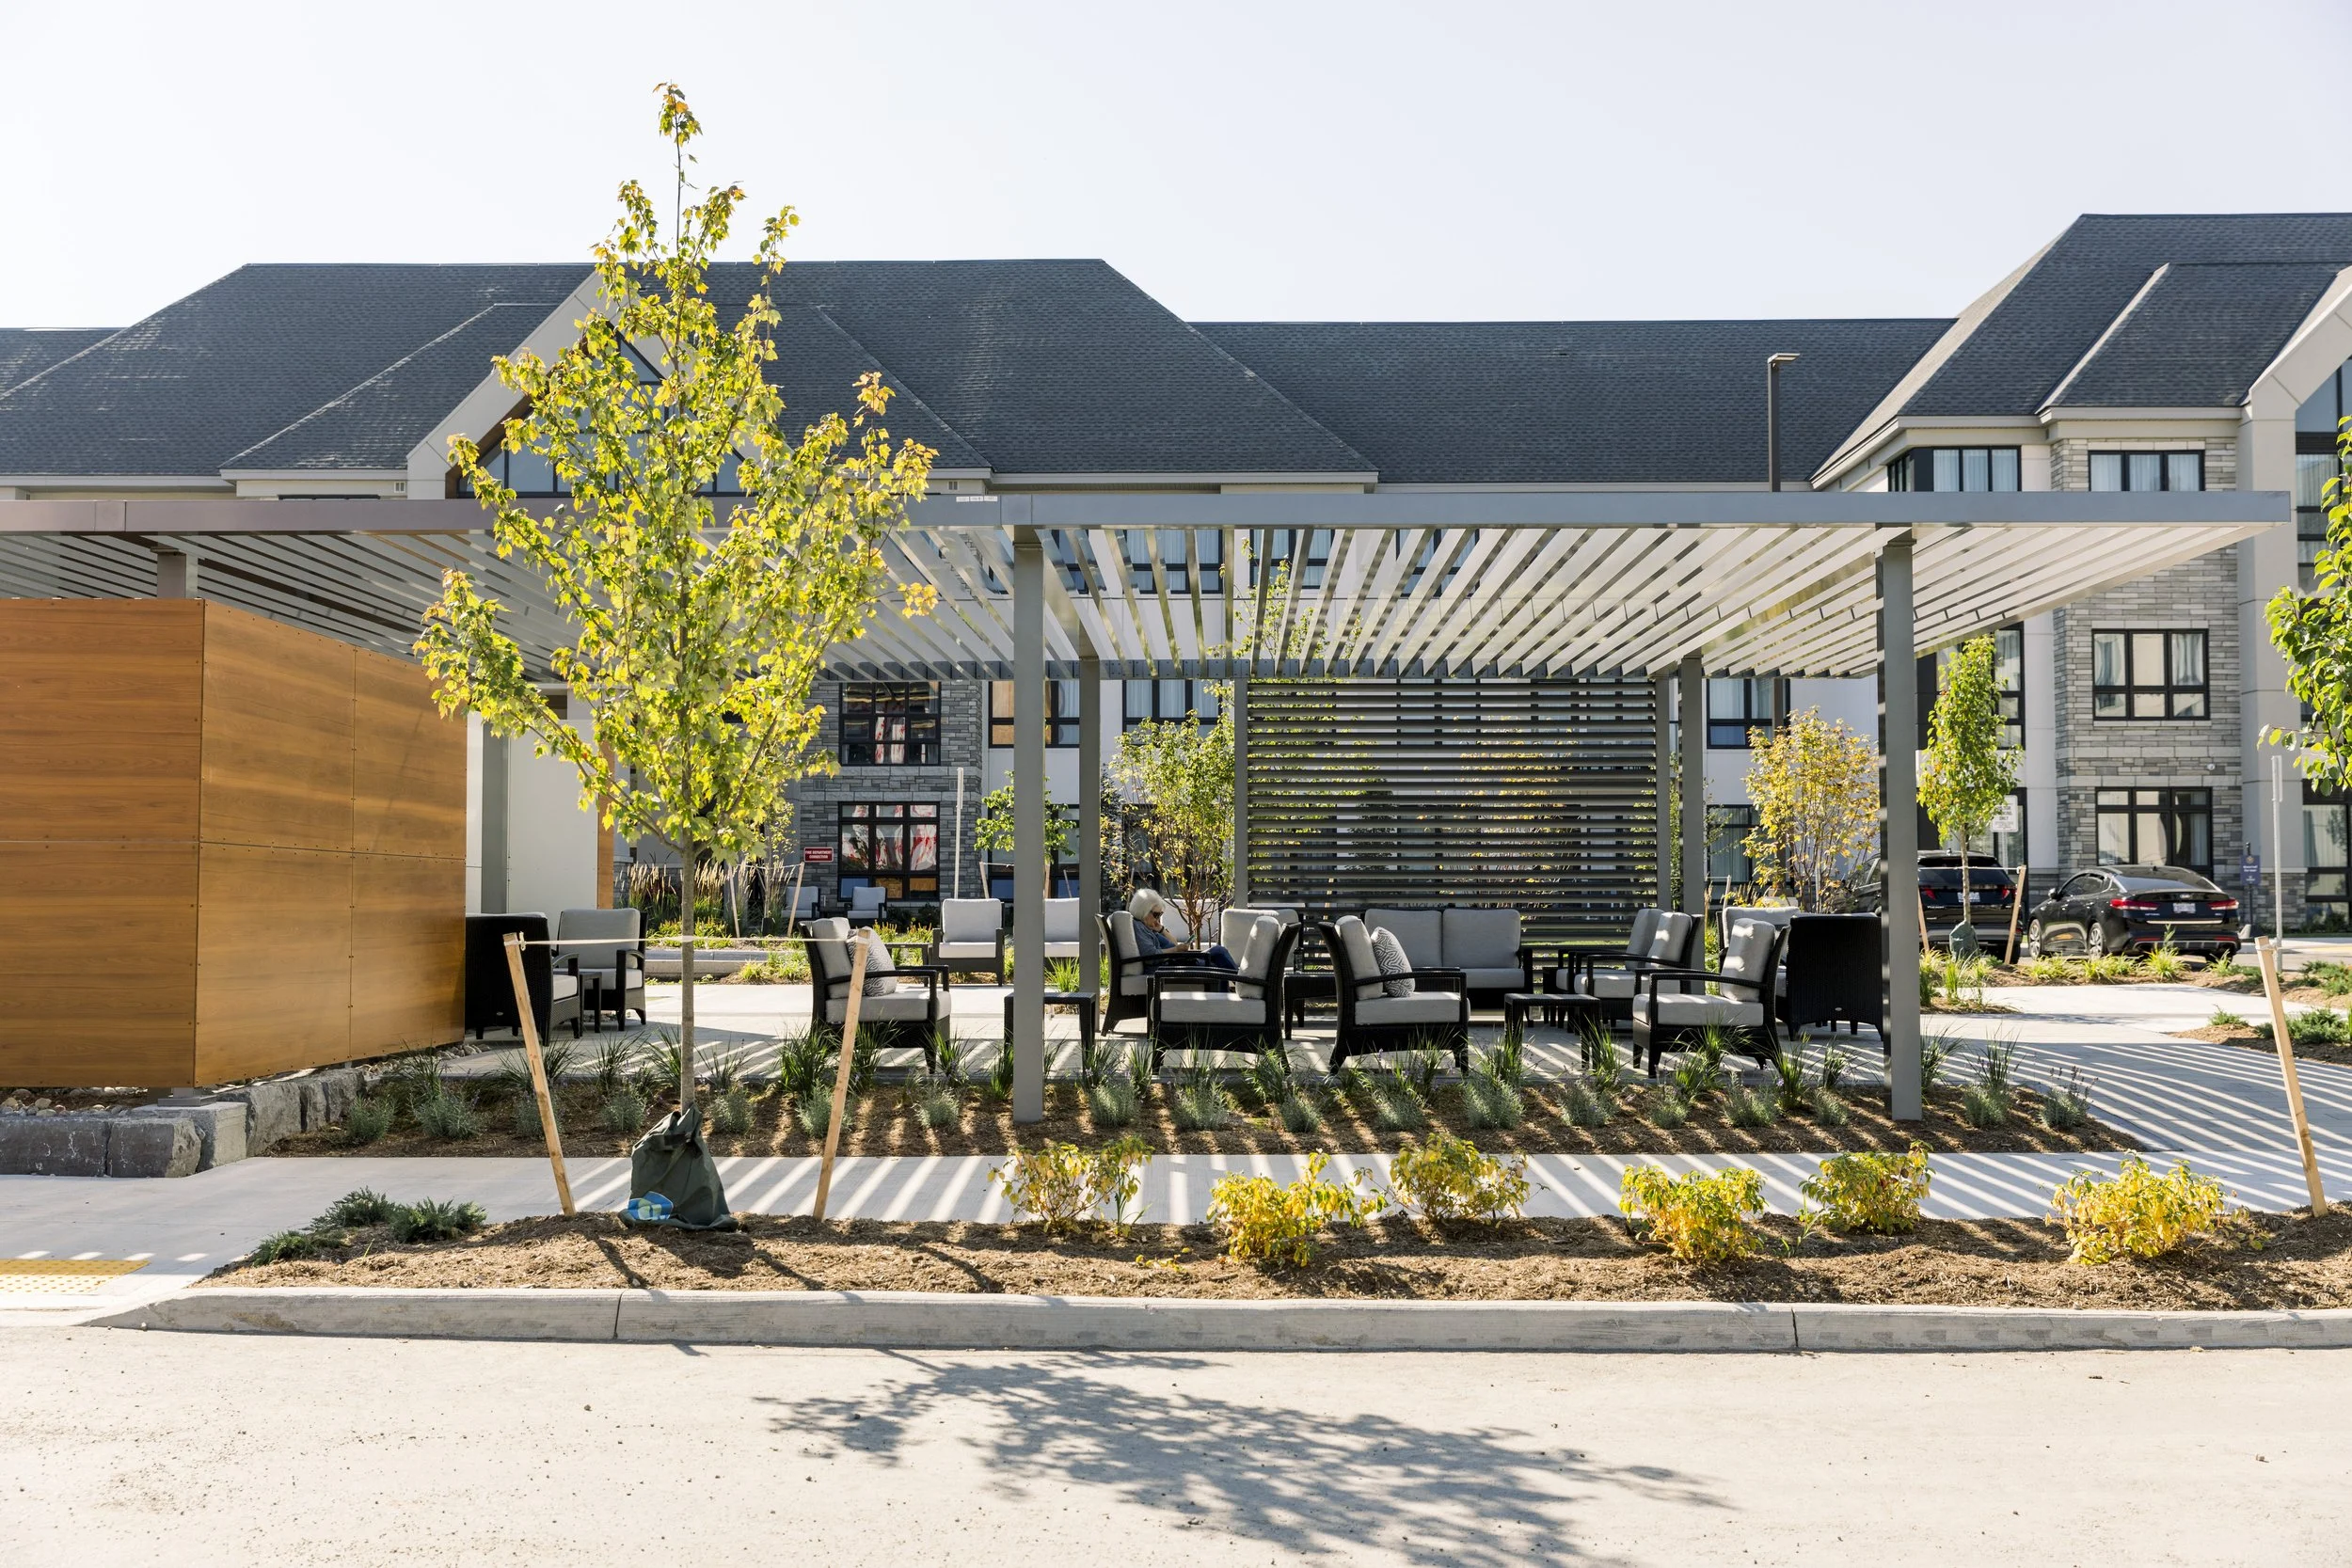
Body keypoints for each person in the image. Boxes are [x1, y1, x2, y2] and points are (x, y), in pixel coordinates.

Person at [1134, 895, 1237, 972]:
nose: (1157, 919)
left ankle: (1240, 985)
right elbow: (1150, 956)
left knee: (1218, 951)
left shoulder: (1149, 928)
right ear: (1144, 911)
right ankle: (1241, 983)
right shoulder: (1139, 927)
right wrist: (1176, 950)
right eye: (1156, 915)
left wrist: (1161, 929)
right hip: (1169, 967)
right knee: (1218, 959)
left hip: (1178, 961)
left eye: (1160, 915)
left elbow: (1174, 944)